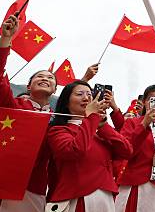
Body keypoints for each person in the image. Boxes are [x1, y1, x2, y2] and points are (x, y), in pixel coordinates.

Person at [0, 14, 98, 212]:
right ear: (28, 86)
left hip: (35, 188)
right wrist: (5, 40)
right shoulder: (12, 105)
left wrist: (84, 80)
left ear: (55, 90)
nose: (45, 78)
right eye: (39, 76)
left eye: (50, 78)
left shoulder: (57, 120)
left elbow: (74, 103)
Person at [47, 81, 132, 211]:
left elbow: (127, 151)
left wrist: (103, 125)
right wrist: (91, 119)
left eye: (89, 94)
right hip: (77, 197)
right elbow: (75, 151)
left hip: (106, 198)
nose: (86, 98)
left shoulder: (99, 131)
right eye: (79, 94)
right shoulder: (58, 130)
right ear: (66, 102)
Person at [116, 84, 155, 212]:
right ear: (144, 102)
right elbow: (125, 151)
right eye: (150, 99)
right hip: (133, 184)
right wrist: (144, 124)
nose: (154, 102)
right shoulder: (132, 123)